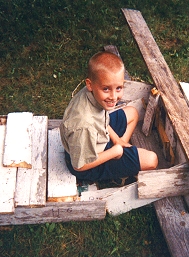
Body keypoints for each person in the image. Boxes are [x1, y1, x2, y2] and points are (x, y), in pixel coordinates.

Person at [60, 51, 158, 182]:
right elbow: (79, 166)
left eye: (118, 88)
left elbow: (102, 120)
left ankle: (120, 153)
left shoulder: (93, 93)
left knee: (133, 113)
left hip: (97, 138)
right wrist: (114, 152)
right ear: (90, 84)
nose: (113, 97)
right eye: (106, 89)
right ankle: (117, 162)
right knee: (152, 160)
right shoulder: (84, 125)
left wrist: (117, 140)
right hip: (89, 163)